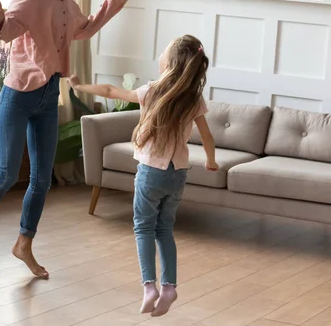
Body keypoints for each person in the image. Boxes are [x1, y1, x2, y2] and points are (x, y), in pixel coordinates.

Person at [0, 0, 143, 278]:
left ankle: (23, 244)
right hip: (19, 94)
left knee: (41, 180)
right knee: (6, 173)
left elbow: (85, 29)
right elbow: (9, 30)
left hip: (48, 96)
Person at [68, 34, 219, 317]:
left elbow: (110, 91)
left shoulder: (152, 91)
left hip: (150, 173)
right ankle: (170, 287)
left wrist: (79, 86)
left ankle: (149, 287)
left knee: (143, 228)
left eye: (163, 51)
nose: (159, 55)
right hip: (177, 176)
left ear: (170, 62)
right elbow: (208, 137)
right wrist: (211, 162)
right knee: (165, 230)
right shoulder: (193, 99)